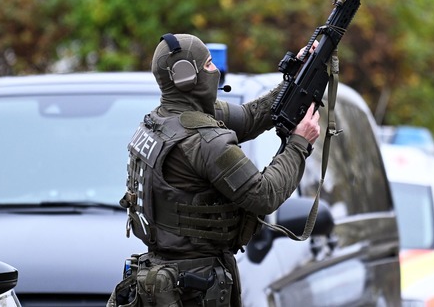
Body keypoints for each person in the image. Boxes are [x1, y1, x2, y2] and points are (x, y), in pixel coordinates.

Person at [111, 33, 320, 307]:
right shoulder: (204, 141)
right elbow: (264, 195)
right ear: (187, 77)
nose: (216, 71)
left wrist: (297, 78)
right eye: (209, 64)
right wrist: (299, 144)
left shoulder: (162, 120)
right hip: (196, 288)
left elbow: (248, 118)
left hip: (170, 275)